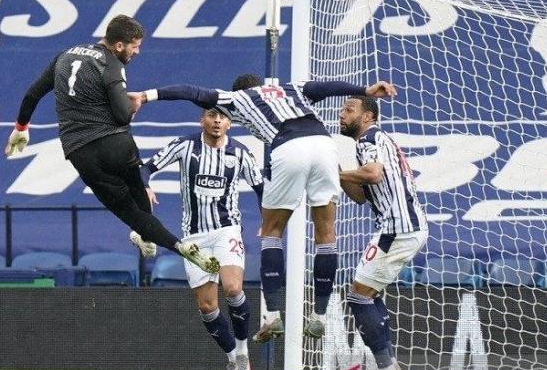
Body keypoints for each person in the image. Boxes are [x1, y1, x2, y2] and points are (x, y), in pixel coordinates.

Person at [129, 74, 396, 341]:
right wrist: (365, 89)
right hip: (325, 146)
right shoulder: (291, 88)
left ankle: (272, 316)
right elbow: (326, 87)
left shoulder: (237, 99)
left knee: (272, 232)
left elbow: (191, 90)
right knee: (326, 234)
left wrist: (146, 95)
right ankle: (319, 317)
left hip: (289, 147)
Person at [4, 15, 219, 274]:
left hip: (80, 151)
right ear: (118, 46)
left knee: (128, 210)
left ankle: (176, 245)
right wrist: (131, 103)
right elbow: (121, 115)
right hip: (115, 144)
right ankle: (152, 236)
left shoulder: (65, 55)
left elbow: (32, 94)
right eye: (134, 46)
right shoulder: (111, 64)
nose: (137, 51)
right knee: (139, 195)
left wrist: (21, 128)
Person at [135, 108, 263, 370]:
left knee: (232, 287)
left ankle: (242, 354)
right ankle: (232, 360)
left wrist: (268, 221)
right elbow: (146, 168)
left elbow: (261, 187)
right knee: (207, 306)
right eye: (212, 115)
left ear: (230, 123)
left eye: (223, 117)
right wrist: (146, 186)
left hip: (226, 230)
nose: (217, 121)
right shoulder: (185, 146)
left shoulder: (240, 153)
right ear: (201, 120)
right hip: (194, 237)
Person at [337, 95, 428, 370]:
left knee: (358, 296)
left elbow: (373, 174)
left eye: (349, 110)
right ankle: (389, 367)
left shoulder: (369, 138)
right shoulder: (378, 140)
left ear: (366, 117)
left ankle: (388, 369)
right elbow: (362, 196)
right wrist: (338, 176)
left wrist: (334, 171)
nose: (342, 114)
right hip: (403, 227)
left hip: (397, 229)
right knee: (369, 294)